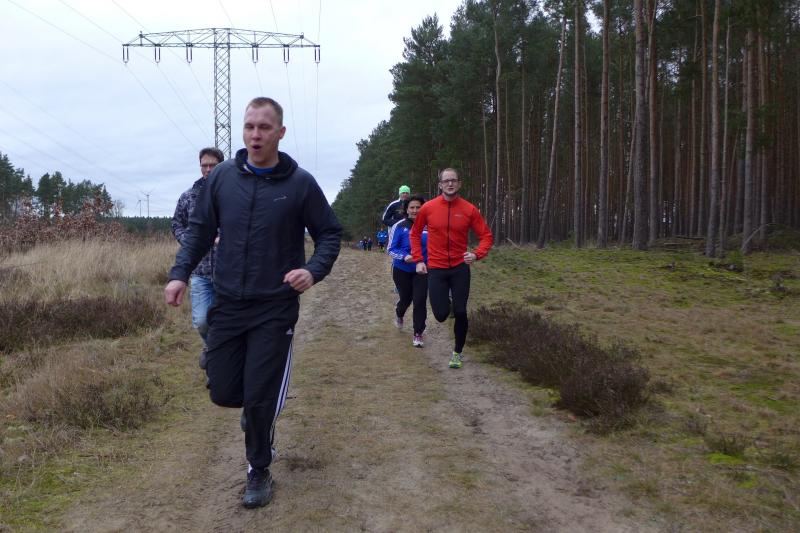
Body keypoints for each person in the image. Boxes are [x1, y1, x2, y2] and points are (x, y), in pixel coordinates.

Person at [164, 97, 342, 509]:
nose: (255, 134)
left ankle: (258, 468)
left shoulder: (300, 184)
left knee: (260, 397)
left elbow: (330, 233)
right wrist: (179, 274)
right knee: (224, 392)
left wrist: (313, 270)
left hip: (275, 306)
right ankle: (250, 406)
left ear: (280, 132)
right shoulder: (223, 178)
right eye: (249, 127)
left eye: (264, 127)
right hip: (228, 301)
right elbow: (198, 231)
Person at [410, 168, 492, 369]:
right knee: (440, 314)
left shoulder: (469, 209)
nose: (450, 184)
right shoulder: (428, 208)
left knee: (461, 311)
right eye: (446, 181)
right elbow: (415, 234)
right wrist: (419, 260)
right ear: (440, 185)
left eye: (453, 180)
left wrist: (476, 254)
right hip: (436, 269)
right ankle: (447, 301)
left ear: (459, 184)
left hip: (459, 268)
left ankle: (457, 352)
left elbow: (486, 236)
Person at [170, 147, 224, 369]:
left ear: (221, 166)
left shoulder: (232, 194)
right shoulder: (189, 196)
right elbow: (176, 223)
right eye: (204, 165)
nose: (208, 169)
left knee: (225, 322)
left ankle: (221, 363)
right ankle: (213, 350)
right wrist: (191, 241)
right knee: (202, 321)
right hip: (200, 272)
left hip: (228, 272)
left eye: (213, 165)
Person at [388, 195, 428, 347]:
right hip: (401, 269)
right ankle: (399, 313)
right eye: (412, 207)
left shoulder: (429, 225)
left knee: (420, 300)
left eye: (418, 207)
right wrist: (404, 256)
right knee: (406, 299)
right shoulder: (399, 226)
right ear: (406, 209)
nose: (415, 210)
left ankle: (418, 332)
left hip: (422, 269)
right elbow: (390, 249)